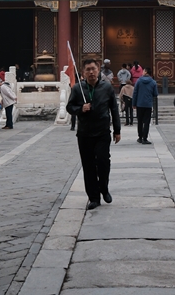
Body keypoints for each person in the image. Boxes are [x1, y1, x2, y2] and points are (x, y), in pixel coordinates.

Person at [66, 58, 122, 210]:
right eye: (88, 70)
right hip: (84, 133)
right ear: (83, 73)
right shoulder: (77, 89)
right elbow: (69, 107)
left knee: (104, 162)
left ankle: (104, 187)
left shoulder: (107, 87)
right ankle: (94, 197)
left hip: (102, 131)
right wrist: (80, 109)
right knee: (88, 165)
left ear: (98, 70)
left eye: (93, 69)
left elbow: (114, 109)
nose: (91, 72)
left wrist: (117, 130)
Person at [132, 68, 158, 145]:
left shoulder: (139, 81)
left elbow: (135, 93)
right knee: (146, 122)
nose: (142, 72)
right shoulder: (153, 82)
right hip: (148, 104)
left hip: (139, 104)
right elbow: (155, 94)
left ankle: (140, 137)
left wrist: (134, 103)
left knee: (139, 121)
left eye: (143, 71)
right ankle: (145, 138)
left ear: (146, 72)